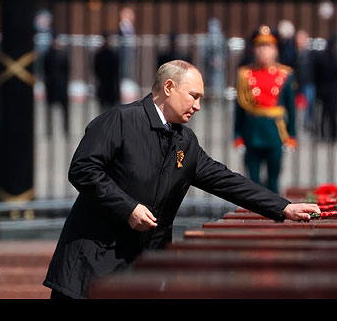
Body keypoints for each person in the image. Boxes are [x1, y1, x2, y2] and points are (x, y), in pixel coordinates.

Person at [43, 60, 319, 299]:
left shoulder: (184, 140)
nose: (198, 106)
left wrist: (283, 207)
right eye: (193, 96)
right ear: (168, 88)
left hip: (141, 268)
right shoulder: (121, 119)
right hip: (91, 263)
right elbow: (83, 169)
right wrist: (127, 207)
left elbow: (225, 180)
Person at [234, 25, 298, 194]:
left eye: (268, 46)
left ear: (276, 50)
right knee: (252, 181)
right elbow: (239, 108)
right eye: (260, 46)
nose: (263, 51)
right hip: (252, 132)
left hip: (275, 132)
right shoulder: (245, 74)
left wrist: (292, 135)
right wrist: (237, 135)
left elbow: (291, 107)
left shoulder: (285, 74)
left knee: (273, 179)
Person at [43, 34, 69, 136]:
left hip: (62, 84)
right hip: (51, 85)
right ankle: (49, 130)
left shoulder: (64, 54)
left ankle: (66, 129)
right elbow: (45, 70)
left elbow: (67, 70)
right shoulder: (47, 55)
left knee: (65, 109)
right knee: (49, 109)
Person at [93, 34, 120, 111]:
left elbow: (116, 71)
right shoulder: (99, 55)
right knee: (103, 107)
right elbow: (96, 69)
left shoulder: (114, 54)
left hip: (111, 84)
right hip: (103, 83)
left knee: (111, 107)